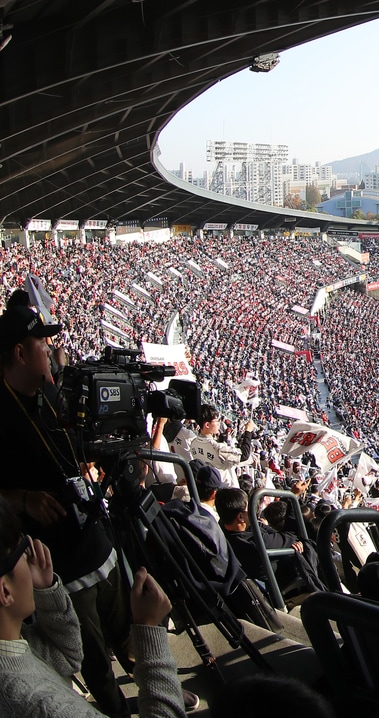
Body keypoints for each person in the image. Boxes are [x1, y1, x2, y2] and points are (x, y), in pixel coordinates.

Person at [0, 303, 127, 716]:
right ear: (19, 353)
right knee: (97, 665)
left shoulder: (51, 392)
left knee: (129, 633)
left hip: (95, 541)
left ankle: (152, 684)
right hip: (60, 569)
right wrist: (21, 499)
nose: (51, 349)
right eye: (43, 342)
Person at [0, 497, 184, 718]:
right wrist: (151, 632)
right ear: (5, 591)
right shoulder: (44, 705)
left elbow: (68, 659)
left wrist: (48, 593)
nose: (32, 556)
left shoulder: (15, 643)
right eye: (23, 549)